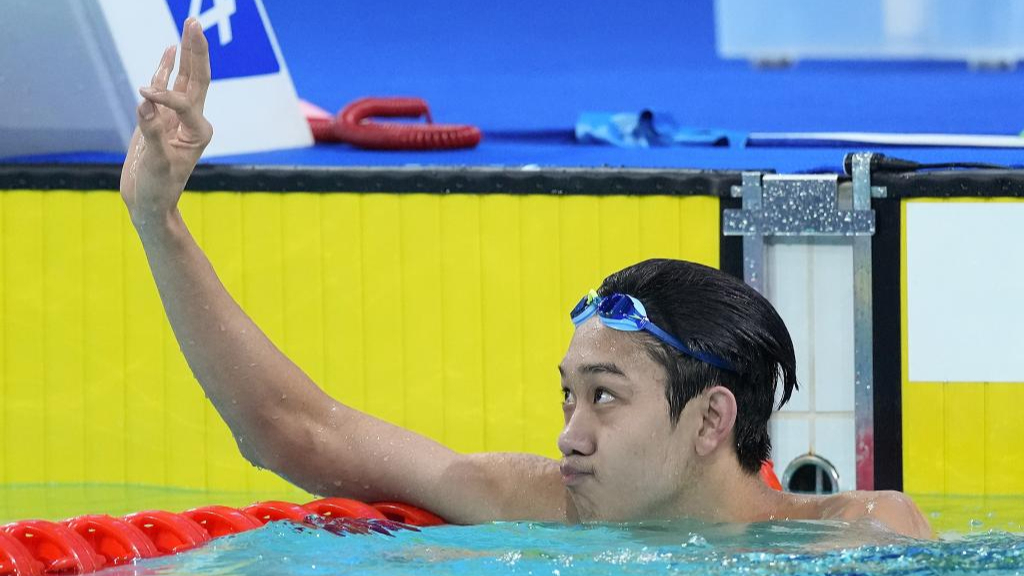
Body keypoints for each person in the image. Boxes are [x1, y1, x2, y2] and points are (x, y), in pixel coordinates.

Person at [121, 18, 931, 539]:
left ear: (712, 418)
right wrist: (158, 220)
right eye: (569, 396)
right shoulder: (541, 503)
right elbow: (297, 432)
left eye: (604, 397)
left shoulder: (857, 534)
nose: (569, 435)